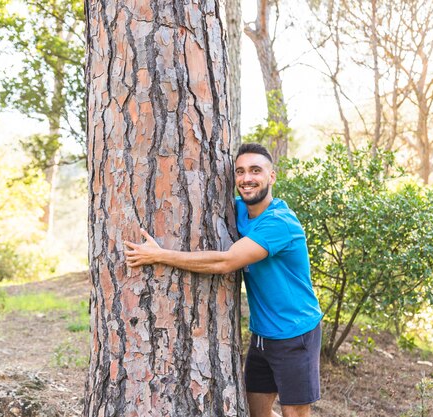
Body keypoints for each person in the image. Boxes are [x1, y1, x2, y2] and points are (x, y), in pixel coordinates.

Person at [124, 143, 323, 417]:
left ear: (272, 176)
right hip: (262, 335)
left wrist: (160, 255)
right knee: (256, 412)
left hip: (296, 334)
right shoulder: (239, 210)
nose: (246, 178)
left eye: (255, 170)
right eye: (240, 172)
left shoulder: (280, 223)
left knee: (294, 413)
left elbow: (225, 261)